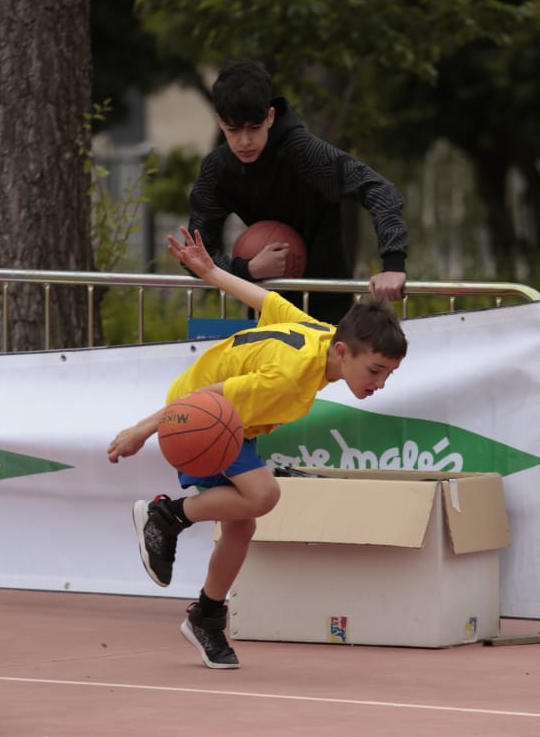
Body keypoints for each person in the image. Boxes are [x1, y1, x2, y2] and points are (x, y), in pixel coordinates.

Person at [108, 227, 408, 669]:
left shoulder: (317, 332)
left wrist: (210, 270)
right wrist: (142, 429)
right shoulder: (287, 378)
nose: (380, 383)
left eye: (388, 375)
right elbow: (208, 395)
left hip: (229, 418)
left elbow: (264, 300)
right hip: (198, 414)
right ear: (343, 352)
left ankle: (207, 617)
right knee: (263, 494)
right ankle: (166, 516)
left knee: (242, 525)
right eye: (376, 370)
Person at [187, 59, 410, 325]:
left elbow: (380, 190)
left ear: (270, 117)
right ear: (220, 122)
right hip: (265, 306)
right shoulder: (218, 169)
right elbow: (196, 255)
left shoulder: (304, 153)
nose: (244, 141)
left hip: (327, 307)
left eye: (254, 128)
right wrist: (247, 269)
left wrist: (393, 265)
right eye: (233, 130)